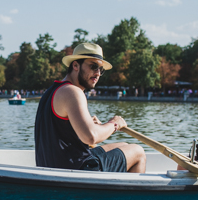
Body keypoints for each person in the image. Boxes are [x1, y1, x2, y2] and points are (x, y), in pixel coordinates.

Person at [34, 42, 146, 173]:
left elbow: (72, 135)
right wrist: (114, 124)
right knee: (138, 152)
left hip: (55, 168)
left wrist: (97, 126)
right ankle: (128, 194)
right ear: (75, 65)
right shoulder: (73, 92)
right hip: (75, 172)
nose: (98, 73)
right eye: (93, 66)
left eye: (100, 69)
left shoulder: (52, 91)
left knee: (124, 145)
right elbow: (91, 137)